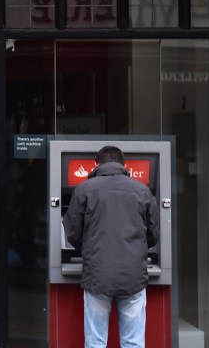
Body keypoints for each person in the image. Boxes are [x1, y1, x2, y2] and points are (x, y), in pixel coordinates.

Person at [62, 145, 160, 348]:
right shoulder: (141, 190)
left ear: (96, 165)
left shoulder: (84, 189)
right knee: (133, 342)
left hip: (97, 274)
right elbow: (154, 233)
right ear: (124, 165)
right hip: (133, 276)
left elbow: (71, 231)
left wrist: (88, 250)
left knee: (95, 342)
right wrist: (136, 251)